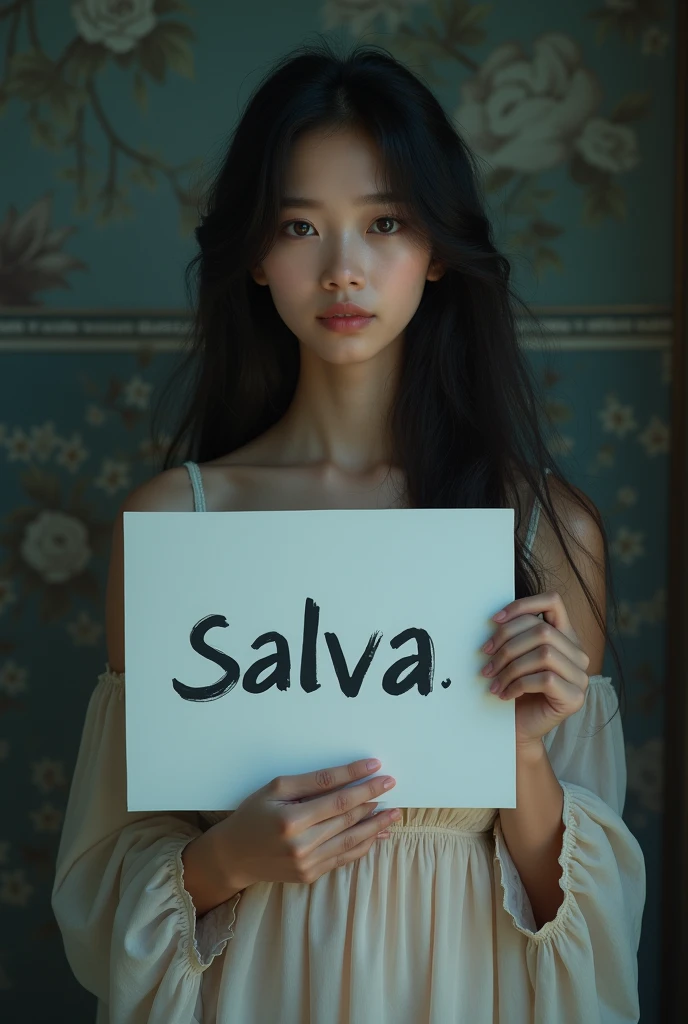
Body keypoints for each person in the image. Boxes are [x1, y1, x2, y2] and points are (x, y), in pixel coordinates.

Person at [52, 38, 645, 1024]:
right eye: (299, 224)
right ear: (254, 253)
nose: (343, 268)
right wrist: (226, 858)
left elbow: (587, 933)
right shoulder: (176, 524)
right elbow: (106, 888)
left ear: (436, 252)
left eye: (384, 222)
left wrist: (524, 757)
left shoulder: (545, 529)